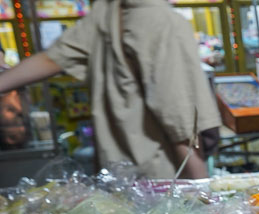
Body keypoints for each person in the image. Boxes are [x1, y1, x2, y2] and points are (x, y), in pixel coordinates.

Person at [0, 0, 220, 179]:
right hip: (162, 178)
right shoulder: (162, 21)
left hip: (115, 174)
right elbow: (180, 120)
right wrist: (201, 191)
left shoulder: (108, 12)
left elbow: (53, 58)